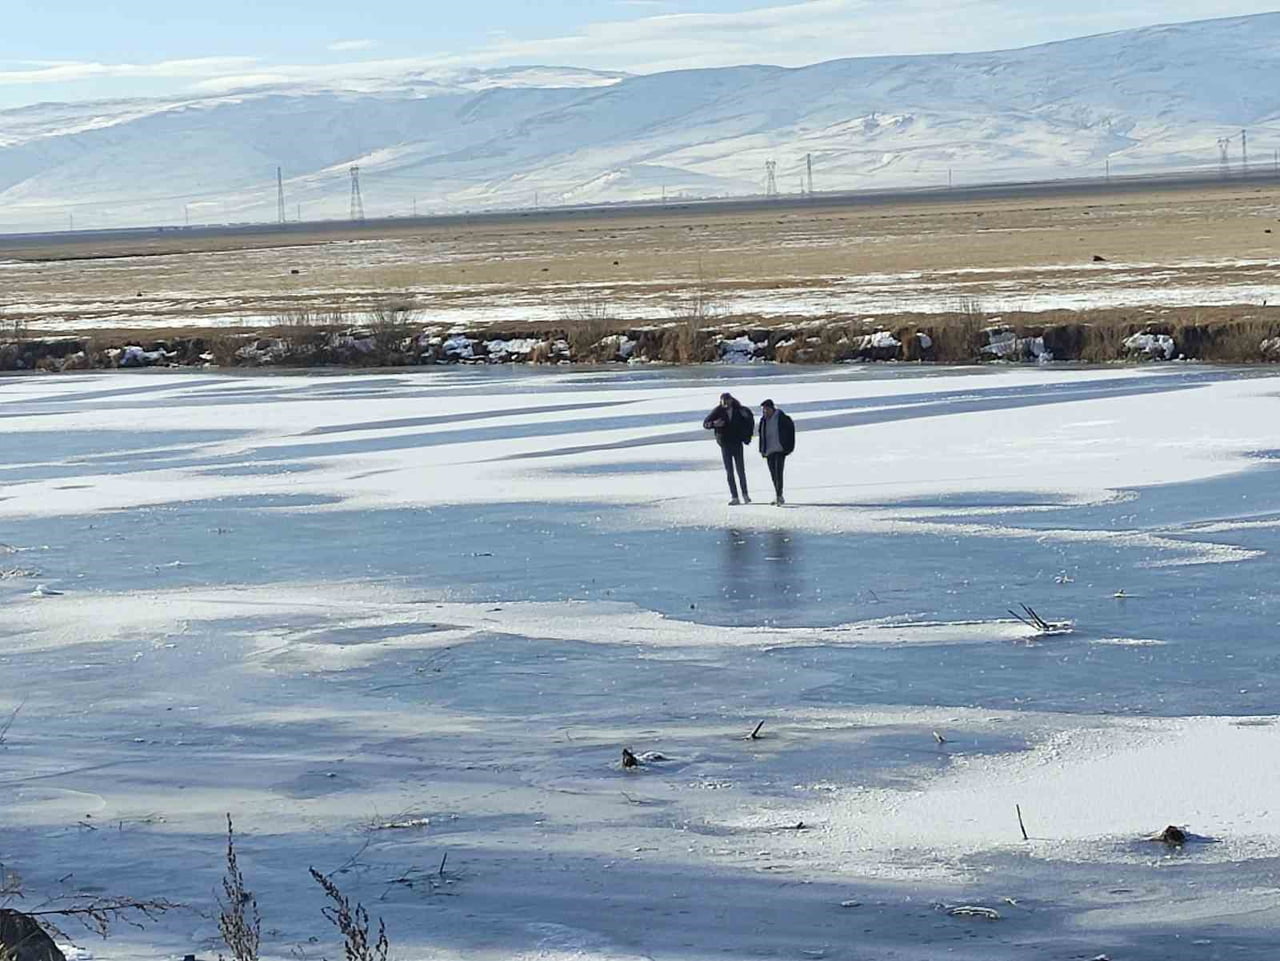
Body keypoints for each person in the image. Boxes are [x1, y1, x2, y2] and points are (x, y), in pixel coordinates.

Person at [702, 392, 754, 504]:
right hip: (725, 444)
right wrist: (714, 424)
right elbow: (705, 423)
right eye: (723, 401)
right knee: (729, 471)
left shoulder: (739, 410)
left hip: (737, 443)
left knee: (740, 470)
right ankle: (735, 496)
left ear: (731, 400)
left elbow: (749, 421)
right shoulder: (718, 411)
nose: (725, 403)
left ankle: (745, 495)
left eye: (727, 400)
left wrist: (746, 436)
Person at [758, 399, 795, 505]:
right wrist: (762, 449)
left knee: (779, 473)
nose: (765, 412)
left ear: (772, 408)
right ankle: (778, 494)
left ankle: (779, 495)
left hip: (780, 449)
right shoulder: (763, 421)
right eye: (763, 410)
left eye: (766, 409)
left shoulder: (782, 418)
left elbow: (790, 433)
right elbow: (762, 436)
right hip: (769, 451)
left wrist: (788, 447)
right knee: (773, 474)